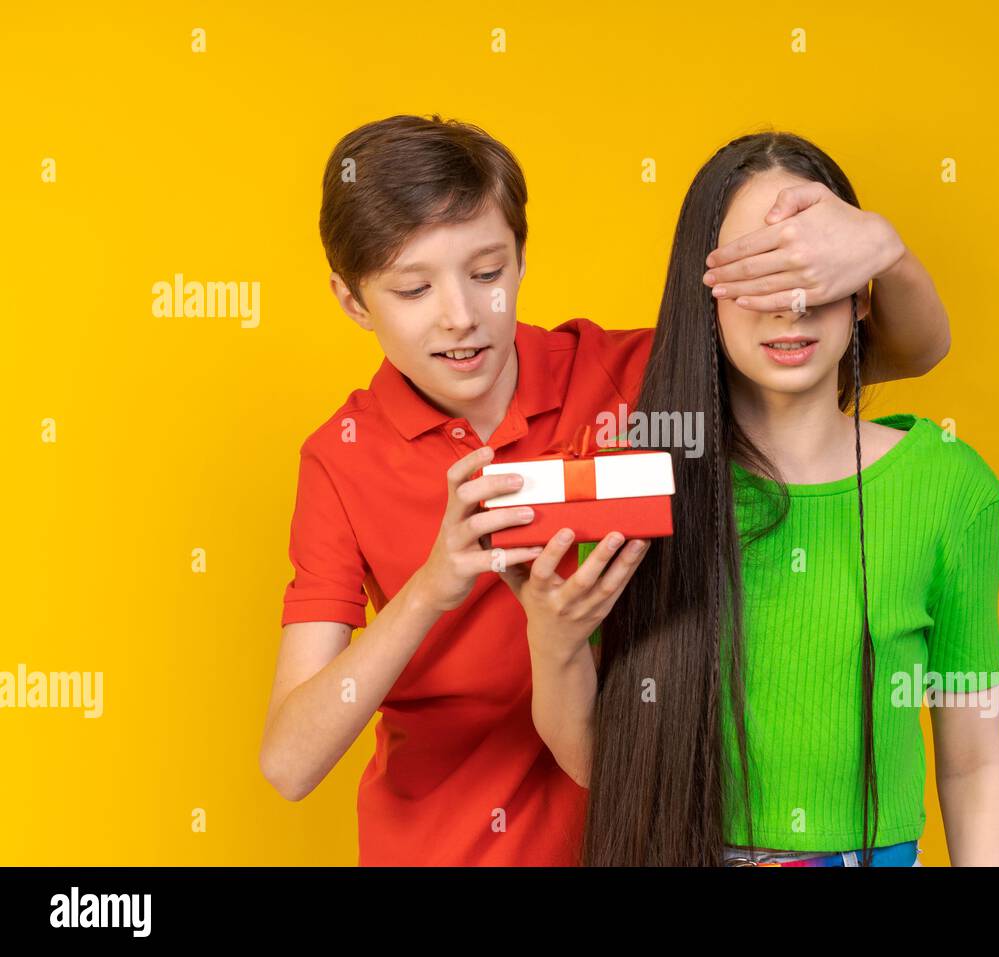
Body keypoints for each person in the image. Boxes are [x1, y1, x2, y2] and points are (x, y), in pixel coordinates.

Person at [260, 114, 955, 865]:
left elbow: (890, 352)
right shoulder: (341, 458)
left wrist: (886, 250)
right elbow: (290, 763)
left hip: (637, 840)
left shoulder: (632, 377)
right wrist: (432, 587)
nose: (460, 315)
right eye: (413, 287)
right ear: (353, 301)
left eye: (487, 273)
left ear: (522, 258)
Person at [509, 131, 999, 867]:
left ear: (862, 288)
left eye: (816, 263)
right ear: (703, 293)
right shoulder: (639, 488)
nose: (791, 302)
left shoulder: (948, 488)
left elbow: (976, 765)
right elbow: (599, 760)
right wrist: (551, 642)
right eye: (758, 268)